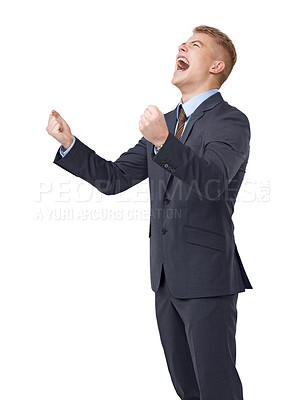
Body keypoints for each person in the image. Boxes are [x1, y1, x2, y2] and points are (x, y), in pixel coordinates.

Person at [47, 25, 253, 400]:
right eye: (183, 42)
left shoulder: (230, 121)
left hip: (208, 278)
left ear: (217, 65)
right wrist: (70, 145)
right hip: (165, 278)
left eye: (196, 45)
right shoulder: (166, 124)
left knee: (217, 389)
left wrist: (163, 141)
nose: (183, 45)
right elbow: (114, 178)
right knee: (187, 389)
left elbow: (213, 182)